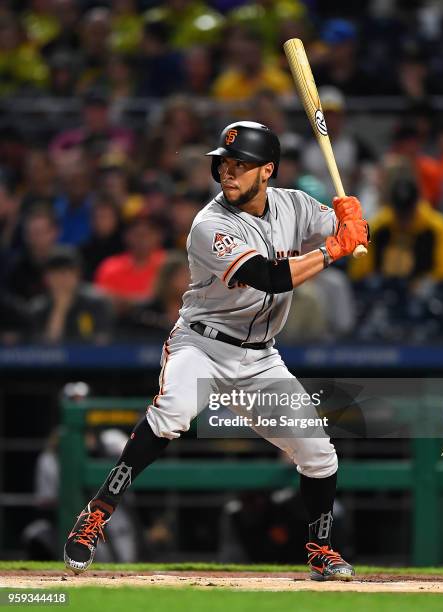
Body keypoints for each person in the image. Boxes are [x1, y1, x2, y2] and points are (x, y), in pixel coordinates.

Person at [64, 121, 368, 580]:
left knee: (319, 453)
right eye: (223, 164)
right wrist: (333, 250)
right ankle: (96, 514)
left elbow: (352, 235)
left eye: (240, 165)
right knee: (173, 413)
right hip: (202, 343)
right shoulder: (209, 224)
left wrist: (355, 221)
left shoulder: (296, 204)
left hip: (261, 357)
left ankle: (320, 549)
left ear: (267, 171)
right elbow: (270, 276)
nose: (228, 172)